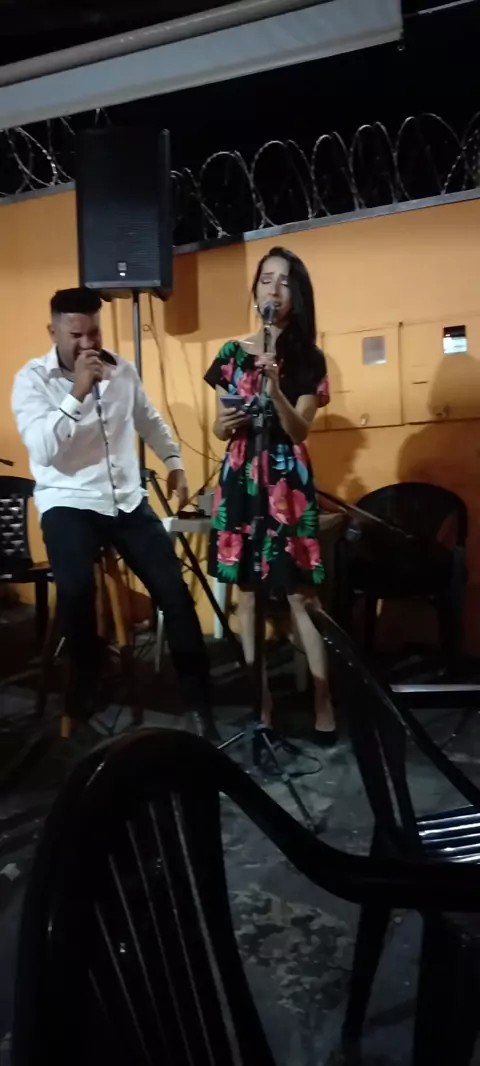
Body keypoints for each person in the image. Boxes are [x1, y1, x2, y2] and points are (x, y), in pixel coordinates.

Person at [12, 286, 217, 740]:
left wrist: (175, 463)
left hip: (125, 499)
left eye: (94, 333)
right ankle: (86, 681)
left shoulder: (122, 370)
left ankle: (199, 702)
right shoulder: (32, 380)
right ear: (53, 332)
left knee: (174, 592)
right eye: (76, 335)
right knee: (75, 589)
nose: (87, 344)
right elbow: (43, 450)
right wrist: (77, 394)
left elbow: (149, 419)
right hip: (68, 500)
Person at [204, 246, 337, 745]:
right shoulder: (231, 354)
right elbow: (219, 428)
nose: (273, 289)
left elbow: (299, 430)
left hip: (286, 480)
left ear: (296, 294)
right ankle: (261, 703)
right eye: (266, 279)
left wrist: (276, 388)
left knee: (302, 594)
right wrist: (225, 422)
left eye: (283, 281)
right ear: (256, 289)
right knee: (246, 594)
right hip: (241, 475)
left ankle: (323, 699)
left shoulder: (309, 358)